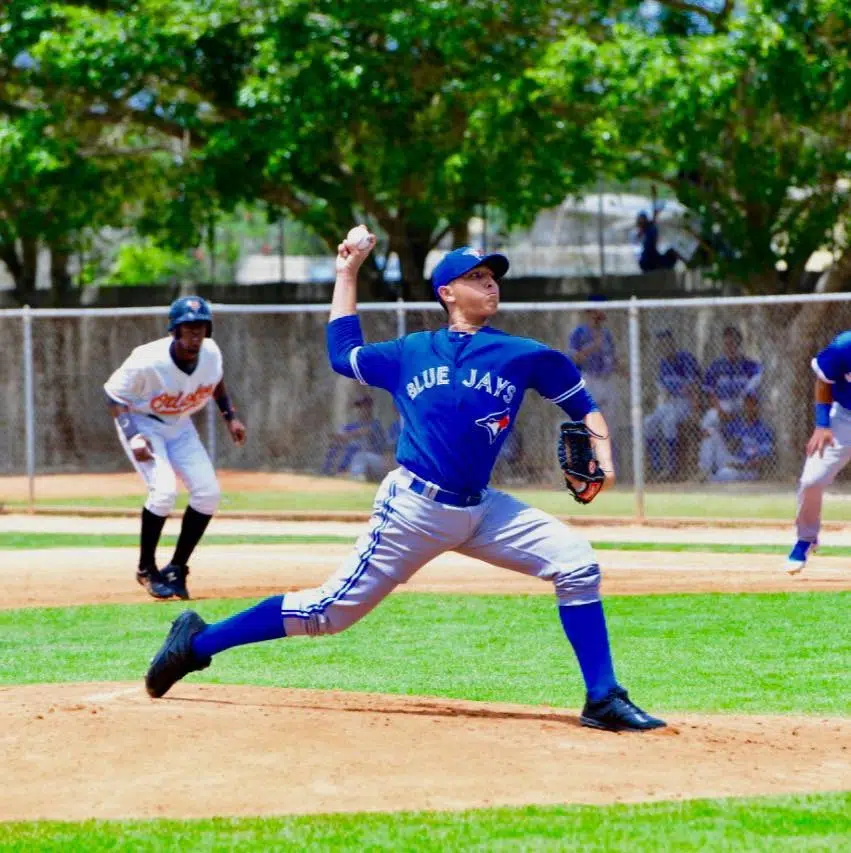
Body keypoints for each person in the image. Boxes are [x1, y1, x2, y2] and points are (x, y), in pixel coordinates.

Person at [144, 233, 665, 733]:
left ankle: (603, 697)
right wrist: (347, 272)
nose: (490, 285)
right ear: (447, 292)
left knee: (576, 562)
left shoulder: (522, 354)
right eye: (477, 276)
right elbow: (341, 352)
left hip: (482, 511)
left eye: (492, 277)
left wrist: (604, 455)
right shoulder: (411, 351)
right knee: (328, 613)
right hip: (414, 508)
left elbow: (581, 402)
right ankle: (198, 643)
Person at [104, 296, 246, 600]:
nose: (195, 334)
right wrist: (133, 437)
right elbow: (114, 396)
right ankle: (146, 569)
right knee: (164, 491)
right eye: (188, 327)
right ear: (174, 331)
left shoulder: (210, 353)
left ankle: (177, 567)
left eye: (200, 327)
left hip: (180, 425)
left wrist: (230, 417)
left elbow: (215, 381)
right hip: (143, 423)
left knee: (208, 493)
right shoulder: (147, 360)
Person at [785, 331, 851, 574]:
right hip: (844, 419)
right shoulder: (845, 345)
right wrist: (822, 425)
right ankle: (806, 538)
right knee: (811, 481)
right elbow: (824, 380)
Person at [644, 329, 702, 480]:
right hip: (669, 403)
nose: (664, 347)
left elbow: (694, 386)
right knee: (648, 422)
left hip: (685, 403)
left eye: (666, 344)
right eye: (661, 345)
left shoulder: (686, 359)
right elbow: (663, 390)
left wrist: (695, 409)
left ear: (672, 343)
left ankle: (672, 467)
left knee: (669, 421)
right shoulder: (662, 364)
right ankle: (656, 468)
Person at [698, 391, 774, 482]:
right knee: (712, 432)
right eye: (746, 404)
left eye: (752, 404)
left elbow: (761, 461)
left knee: (726, 473)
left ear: (757, 407)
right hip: (732, 460)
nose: (748, 407)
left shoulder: (764, 430)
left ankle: (710, 480)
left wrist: (741, 466)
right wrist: (717, 406)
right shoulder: (738, 424)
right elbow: (722, 425)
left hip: (747, 469)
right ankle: (704, 471)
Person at [567, 296, 619, 427]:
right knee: (588, 419)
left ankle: (607, 446)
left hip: (606, 380)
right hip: (588, 378)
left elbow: (612, 357)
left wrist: (620, 367)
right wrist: (593, 346)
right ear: (591, 311)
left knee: (609, 421)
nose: (604, 311)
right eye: (600, 308)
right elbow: (574, 358)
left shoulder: (606, 333)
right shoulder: (578, 333)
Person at [321, 393, 392, 482]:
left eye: (365, 406)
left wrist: (346, 436)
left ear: (370, 408)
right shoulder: (350, 426)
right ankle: (329, 472)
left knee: (360, 456)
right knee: (335, 447)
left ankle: (356, 478)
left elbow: (364, 431)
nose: (362, 409)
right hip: (356, 458)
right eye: (359, 407)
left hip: (375, 458)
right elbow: (340, 437)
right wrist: (338, 437)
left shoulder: (375, 424)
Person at [702, 326, 762, 416]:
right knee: (709, 420)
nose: (729, 348)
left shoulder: (752, 366)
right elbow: (709, 393)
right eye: (726, 344)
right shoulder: (715, 366)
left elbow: (751, 393)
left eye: (733, 344)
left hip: (743, 406)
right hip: (722, 406)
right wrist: (720, 411)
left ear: (739, 345)